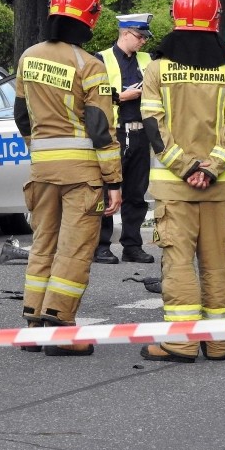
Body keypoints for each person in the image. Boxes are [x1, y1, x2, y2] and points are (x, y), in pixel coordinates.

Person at [138, 0, 225, 363]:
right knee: (217, 266)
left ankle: (182, 342)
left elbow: (153, 125)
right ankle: (218, 343)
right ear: (216, 20)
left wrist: (187, 170)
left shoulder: (157, 69)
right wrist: (212, 167)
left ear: (175, 16)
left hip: (175, 189)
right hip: (218, 190)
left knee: (179, 263)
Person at [13, 0, 122, 357]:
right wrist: (113, 181)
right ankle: (59, 326)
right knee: (74, 249)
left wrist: (39, 150)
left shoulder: (28, 56)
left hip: (42, 171)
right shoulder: (89, 64)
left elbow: (21, 116)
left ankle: (33, 323)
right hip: (82, 175)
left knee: (42, 244)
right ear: (89, 17)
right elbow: (99, 128)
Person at [93, 13, 156, 265]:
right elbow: (94, 94)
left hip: (141, 132)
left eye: (145, 38)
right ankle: (101, 245)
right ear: (125, 33)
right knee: (108, 189)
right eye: (139, 37)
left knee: (136, 193)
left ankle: (132, 245)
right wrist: (122, 96)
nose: (143, 42)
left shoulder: (148, 60)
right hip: (114, 131)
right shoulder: (101, 59)